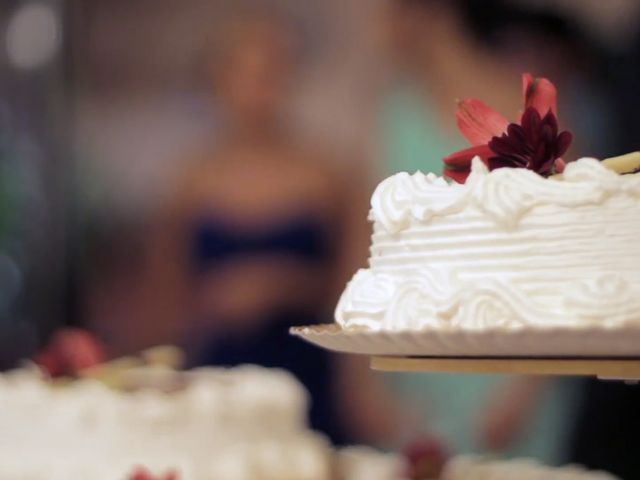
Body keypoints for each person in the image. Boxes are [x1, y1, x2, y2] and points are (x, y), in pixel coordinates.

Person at [144, 11, 402, 447]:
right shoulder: (189, 183)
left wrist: (285, 286)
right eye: (243, 74)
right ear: (216, 80)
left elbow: (360, 288)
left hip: (308, 372)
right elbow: (164, 302)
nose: (257, 91)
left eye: (270, 73)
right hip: (219, 372)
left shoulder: (327, 175)